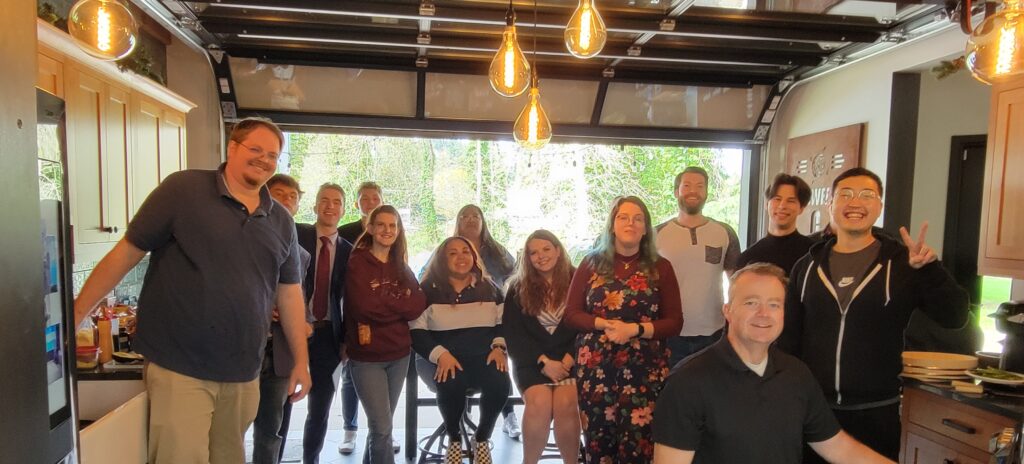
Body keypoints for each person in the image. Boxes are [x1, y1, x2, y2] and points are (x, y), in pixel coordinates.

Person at [72, 118, 311, 464]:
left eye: (272, 155)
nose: (264, 159)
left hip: (244, 371)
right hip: (180, 366)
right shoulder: (183, 190)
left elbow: (289, 295)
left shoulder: (281, 221)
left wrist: (301, 361)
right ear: (232, 147)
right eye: (255, 149)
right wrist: (77, 313)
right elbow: (126, 253)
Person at [778, 167, 969, 462]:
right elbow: (788, 340)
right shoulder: (807, 266)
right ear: (830, 204)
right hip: (815, 412)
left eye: (867, 195)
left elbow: (955, 317)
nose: (855, 202)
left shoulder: (903, 264)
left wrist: (931, 270)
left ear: (879, 206)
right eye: (845, 194)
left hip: (877, 413)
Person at [652, 263, 894, 464]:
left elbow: (837, 446)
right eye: (751, 303)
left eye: (774, 304)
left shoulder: (797, 374)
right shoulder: (688, 381)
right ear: (728, 311)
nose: (764, 314)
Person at [565, 196, 683, 464]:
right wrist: (604, 324)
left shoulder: (661, 267)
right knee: (598, 440)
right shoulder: (590, 263)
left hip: (645, 369)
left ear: (646, 228)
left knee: (639, 442)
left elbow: (675, 322)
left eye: (638, 218)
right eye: (623, 217)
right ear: (612, 225)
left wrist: (635, 329)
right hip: (596, 369)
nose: (631, 223)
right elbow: (571, 314)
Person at [411, 237, 512, 464]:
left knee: (500, 382)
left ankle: (482, 438)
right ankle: (454, 438)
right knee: (450, 381)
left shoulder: (490, 288)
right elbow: (416, 331)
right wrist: (441, 355)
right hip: (440, 358)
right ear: (442, 259)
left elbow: (504, 323)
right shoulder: (427, 290)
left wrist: (498, 347)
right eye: (453, 253)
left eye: (466, 251)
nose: (461, 257)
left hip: (483, 355)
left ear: (474, 257)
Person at [344, 205, 426, 464]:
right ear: (370, 228)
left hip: (399, 355)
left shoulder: (399, 263)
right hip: (367, 357)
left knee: (381, 426)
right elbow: (364, 307)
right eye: (381, 224)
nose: (387, 230)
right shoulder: (358, 262)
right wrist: (399, 303)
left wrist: (385, 301)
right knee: (382, 428)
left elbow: (418, 304)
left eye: (393, 225)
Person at [502, 230, 580, 464]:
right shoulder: (517, 288)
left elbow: (586, 328)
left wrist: (567, 361)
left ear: (558, 250)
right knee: (539, 403)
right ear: (527, 258)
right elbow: (514, 336)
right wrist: (544, 362)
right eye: (533, 253)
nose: (541, 256)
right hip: (532, 363)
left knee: (566, 403)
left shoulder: (579, 282)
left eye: (546, 249)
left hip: (571, 362)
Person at [253, 174, 314, 464]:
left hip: (279, 354)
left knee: (270, 430)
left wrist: (303, 323)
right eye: (279, 194)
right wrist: (265, 308)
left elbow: (304, 307)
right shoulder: (246, 239)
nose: (286, 202)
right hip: (243, 350)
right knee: (231, 427)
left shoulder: (301, 255)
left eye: (293, 197)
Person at [655, 166, 740, 368]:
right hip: (670, 332)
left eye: (700, 186)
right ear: (676, 192)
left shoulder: (725, 232)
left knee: (711, 385)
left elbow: (737, 282)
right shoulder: (656, 234)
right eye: (687, 186)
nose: (693, 191)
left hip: (714, 332)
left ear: (706, 192)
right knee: (672, 385)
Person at [297, 183, 354, 464]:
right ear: (315, 206)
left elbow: (352, 301)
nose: (330, 206)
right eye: (324, 200)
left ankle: (311, 459)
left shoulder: (349, 251)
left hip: (328, 335)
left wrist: (346, 340)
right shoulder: (296, 235)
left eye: (336, 202)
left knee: (319, 407)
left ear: (343, 210)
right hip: (292, 331)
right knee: (282, 402)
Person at [453, 204, 521, 438]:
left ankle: (508, 415)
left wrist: (497, 288)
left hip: (496, 318)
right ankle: (462, 416)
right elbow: (428, 275)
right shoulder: (449, 249)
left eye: (476, 216)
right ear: (458, 222)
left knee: (499, 364)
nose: (471, 219)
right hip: (461, 321)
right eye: (465, 216)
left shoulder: (497, 251)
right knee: (462, 364)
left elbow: (517, 277)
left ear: (483, 221)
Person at [336, 181, 384, 454]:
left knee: (382, 376)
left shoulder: (389, 231)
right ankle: (349, 430)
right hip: (351, 309)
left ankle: (382, 431)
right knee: (351, 372)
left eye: (375, 198)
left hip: (383, 315)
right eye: (365, 198)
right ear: (357, 204)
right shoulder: (345, 233)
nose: (370, 202)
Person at [737, 173, 815, 275]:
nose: (782, 206)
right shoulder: (748, 258)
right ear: (766, 204)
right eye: (777, 199)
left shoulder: (813, 254)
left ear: (801, 208)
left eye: (790, 201)